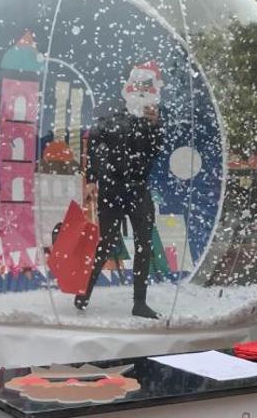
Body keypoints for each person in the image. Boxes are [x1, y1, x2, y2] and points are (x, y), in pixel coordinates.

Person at [74, 61, 164, 319]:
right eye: (137, 86)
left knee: (144, 244)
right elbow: (94, 146)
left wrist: (155, 126)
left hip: (138, 188)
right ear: (127, 88)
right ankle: (85, 291)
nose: (141, 91)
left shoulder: (151, 121)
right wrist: (91, 179)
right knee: (107, 242)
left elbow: (154, 152)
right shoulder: (111, 115)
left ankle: (139, 302)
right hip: (113, 188)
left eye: (147, 87)